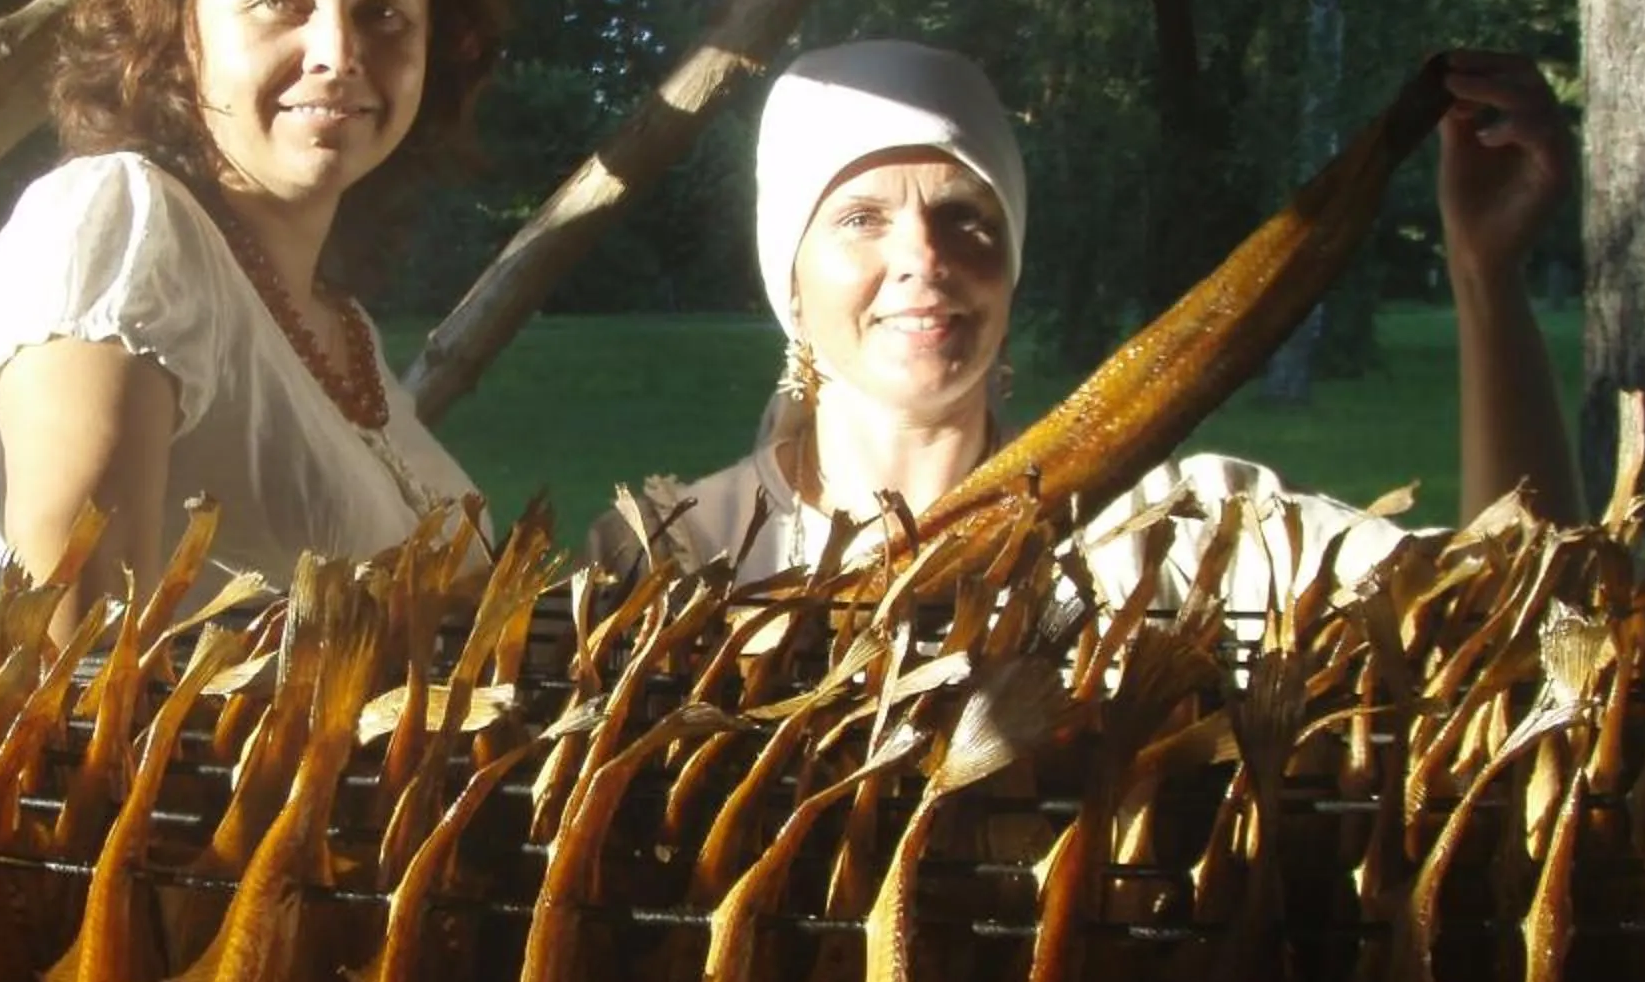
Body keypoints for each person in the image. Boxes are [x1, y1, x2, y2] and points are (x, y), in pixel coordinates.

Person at [611, 39, 1584, 603]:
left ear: (1014, 263)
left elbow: (1518, 611)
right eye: (861, 219)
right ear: (789, 279)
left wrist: (1485, 275)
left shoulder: (1188, 534)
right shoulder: (672, 556)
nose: (924, 256)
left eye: (966, 215)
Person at [0, 0, 512, 617]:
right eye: (281, 2)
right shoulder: (117, 220)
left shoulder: (337, 322)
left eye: (384, 13)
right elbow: (65, 660)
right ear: (178, 32)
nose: (339, 53)